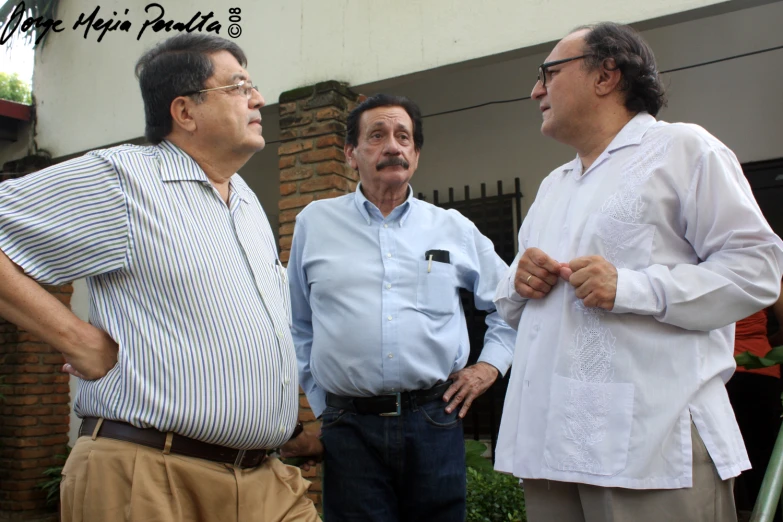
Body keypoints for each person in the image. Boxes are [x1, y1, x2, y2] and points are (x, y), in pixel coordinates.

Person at [0, 33, 320, 521]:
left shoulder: (247, 200)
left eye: (253, 85)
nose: (257, 99)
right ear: (184, 112)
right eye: (237, 87)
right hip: (149, 478)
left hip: (264, 482)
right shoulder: (124, 178)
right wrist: (74, 336)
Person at [493, 22, 783, 522]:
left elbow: (756, 268)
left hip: (652, 448)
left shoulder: (685, 150)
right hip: (547, 448)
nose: (536, 90)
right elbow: (513, 307)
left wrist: (631, 287)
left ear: (607, 74)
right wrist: (519, 283)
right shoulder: (553, 185)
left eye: (549, 72)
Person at [285, 93, 517, 521]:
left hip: (434, 419)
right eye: (377, 136)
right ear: (351, 155)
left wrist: (489, 367)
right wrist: (324, 408)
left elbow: (511, 305)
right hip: (349, 427)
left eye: (403, 136)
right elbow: (299, 325)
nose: (393, 146)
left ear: (415, 153)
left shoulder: (452, 228)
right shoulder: (314, 223)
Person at [728, 285, 783, 522]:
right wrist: (764, 344)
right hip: (758, 368)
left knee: (724, 461)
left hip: (715, 372)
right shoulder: (764, 263)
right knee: (761, 461)